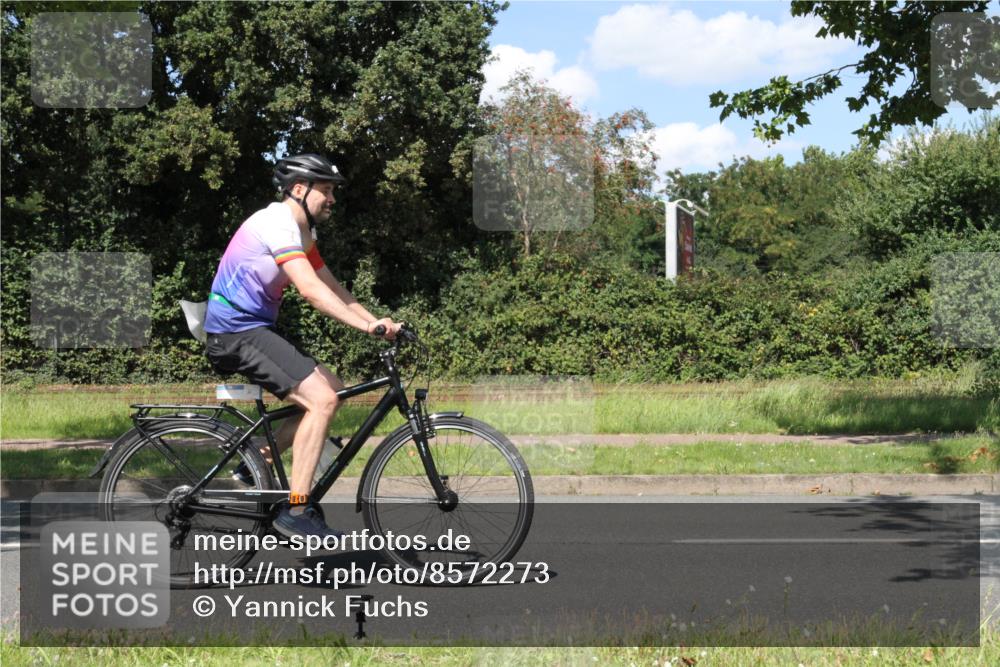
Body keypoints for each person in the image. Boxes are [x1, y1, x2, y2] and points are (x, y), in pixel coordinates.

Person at [204, 153, 402, 539]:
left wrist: (376, 320)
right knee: (321, 400)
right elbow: (311, 291)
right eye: (325, 190)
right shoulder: (277, 223)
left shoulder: (303, 233)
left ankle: (256, 462)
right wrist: (366, 328)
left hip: (253, 328)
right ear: (299, 189)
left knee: (333, 388)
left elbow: (330, 285)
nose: (332, 199)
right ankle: (296, 510)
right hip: (235, 331)